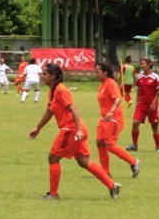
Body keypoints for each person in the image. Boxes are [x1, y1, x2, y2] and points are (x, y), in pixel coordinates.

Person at [28, 63, 121, 200]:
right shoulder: (52, 91)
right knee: (84, 161)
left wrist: (78, 131)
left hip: (71, 129)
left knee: (53, 157)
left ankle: (53, 194)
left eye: (45, 74)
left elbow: (74, 110)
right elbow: (50, 111)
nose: (42, 76)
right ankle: (112, 186)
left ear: (53, 76)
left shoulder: (60, 90)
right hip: (74, 129)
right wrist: (38, 127)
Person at [94, 61, 140, 178]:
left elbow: (118, 98)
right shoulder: (102, 85)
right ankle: (106, 172)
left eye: (98, 71)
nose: (96, 74)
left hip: (114, 118)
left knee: (109, 145)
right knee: (100, 143)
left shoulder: (111, 83)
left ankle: (134, 162)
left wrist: (111, 111)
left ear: (105, 72)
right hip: (104, 118)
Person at [129, 57, 159, 152]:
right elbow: (138, 89)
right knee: (135, 123)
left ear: (148, 65)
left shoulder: (155, 77)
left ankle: (158, 147)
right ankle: (134, 145)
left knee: (154, 126)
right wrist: (137, 101)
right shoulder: (140, 77)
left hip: (153, 106)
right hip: (142, 105)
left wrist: (153, 102)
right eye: (141, 64)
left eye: (143, 64)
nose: (141, 65)